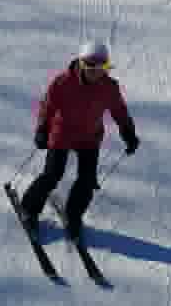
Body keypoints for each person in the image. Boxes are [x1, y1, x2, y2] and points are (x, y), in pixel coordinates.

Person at [18, 40, 138, 238]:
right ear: (82, 64)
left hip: (89, 137)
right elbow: (47, 106)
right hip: (61, 134)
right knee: (52, 174)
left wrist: (128, 133)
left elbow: (119, 111)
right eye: (90, 66)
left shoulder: (109, 87)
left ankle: (73, 215)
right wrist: (42, 129)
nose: (96, 72)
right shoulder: (63, 82)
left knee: (87, 180)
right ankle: (29, 209)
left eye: (101, 67)